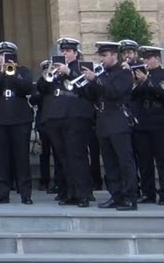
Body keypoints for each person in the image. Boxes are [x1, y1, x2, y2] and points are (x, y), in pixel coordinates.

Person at [38, 38, 94, 208]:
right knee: (63, 158)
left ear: (75, 53)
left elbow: (89, 91)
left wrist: (69, 72)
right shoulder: (53, 69)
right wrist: (49, 73)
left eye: (68, 51)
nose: (65, 53)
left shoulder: (82, 68)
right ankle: (70, 192)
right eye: (63, 51)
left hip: (76, 117)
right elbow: (41, 88)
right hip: (55, 118)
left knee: (77, 156)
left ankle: (83, 194)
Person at [84, 42, 137, 211]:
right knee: (109, 163)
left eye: (105, 55)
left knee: (125, 161)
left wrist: (96, 80)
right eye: (101, 56)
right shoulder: (102, 74)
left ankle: (130, 197)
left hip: (118, 119)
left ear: (115, 55)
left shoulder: (124, 73)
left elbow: (115, 92)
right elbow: (92, 96)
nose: (102, 59)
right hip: (103, 121)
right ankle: (116, 195)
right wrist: (88, 83)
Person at [0, 41, 34, 204]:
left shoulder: (23, 72)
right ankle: (2, 193)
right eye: (1, 56)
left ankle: (25, 193)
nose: (5, 60)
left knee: (22, 158)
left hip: (20, 119)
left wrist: (13, 73)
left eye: (8, 56)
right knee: (1, 158)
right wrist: (2, 72)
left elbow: (27, 88)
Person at [131, 46, 164, 205]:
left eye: (149, 58)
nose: (146, 61)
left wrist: (147, 82)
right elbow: (132, 98)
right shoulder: (140, 77)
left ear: (158, 59)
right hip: (142, 121)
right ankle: (148, 193)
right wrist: (136, 84)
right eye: (144, 58)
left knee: (162, 159)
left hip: (160, 119)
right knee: (144, 160)